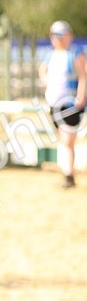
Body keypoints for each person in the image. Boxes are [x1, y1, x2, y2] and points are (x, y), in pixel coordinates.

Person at [39, 20, 86, 189]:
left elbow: (83, 76)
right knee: (63, 139)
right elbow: (42, 70)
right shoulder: (50, 54)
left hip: (70, 103)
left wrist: (81, 97)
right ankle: (67, 172)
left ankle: (68, 174)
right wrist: (46, 81)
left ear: (68, 36)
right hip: (54, 104)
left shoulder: (76, 53)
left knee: (67, 141)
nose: (56, 39)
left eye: (59, 35)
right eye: (53, 35)